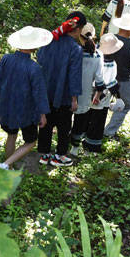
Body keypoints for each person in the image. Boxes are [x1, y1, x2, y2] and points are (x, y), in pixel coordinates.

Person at [0, 27, 52, 170]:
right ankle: (5, 164)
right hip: (27, 110)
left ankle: (7, 166)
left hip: (8, 105)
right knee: (31, 142)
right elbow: (39, 93)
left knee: (11, 135)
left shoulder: (6, 59)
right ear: (34, 46)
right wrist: (42, 114)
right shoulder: (34, 67)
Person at [36, 12, 86, 167]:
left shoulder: (50, 41)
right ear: (77, 29)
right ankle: (60, 155)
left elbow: (39, 58)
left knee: (46, 123)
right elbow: (74, 75)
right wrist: (74, 99)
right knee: (64, 126)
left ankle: (44, 154)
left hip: (46, 90)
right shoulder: (76, 49)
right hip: (63, 94)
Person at [77, 33, 124, 153]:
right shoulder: (112, 63)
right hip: (102, 96)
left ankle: (77, 140)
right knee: (97, 121)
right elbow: (110, 82)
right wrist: (119, 96)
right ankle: (91, 146)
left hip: (89, 93)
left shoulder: (95, 57)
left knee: (85, 117)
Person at [103, 14, 130, 139]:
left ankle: (92, 128)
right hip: (123, 80)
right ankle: (109, 132)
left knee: (100, 103)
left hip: (105, 78)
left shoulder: (109, 39)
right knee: (126, 104)